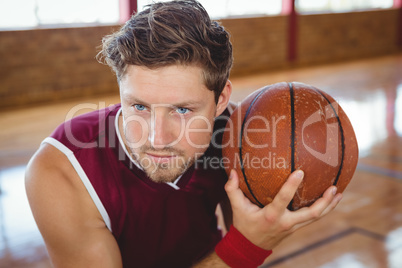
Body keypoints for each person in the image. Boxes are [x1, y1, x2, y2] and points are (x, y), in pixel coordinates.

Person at [25, 1, 342, 267]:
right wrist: (246, 248)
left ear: (220, 100)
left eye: (182, 110)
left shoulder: (238, 136)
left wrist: (272, 215)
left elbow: (244, 225)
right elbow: (243, 245)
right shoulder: (62, 170)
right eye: (139, 107)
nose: (158, 139)